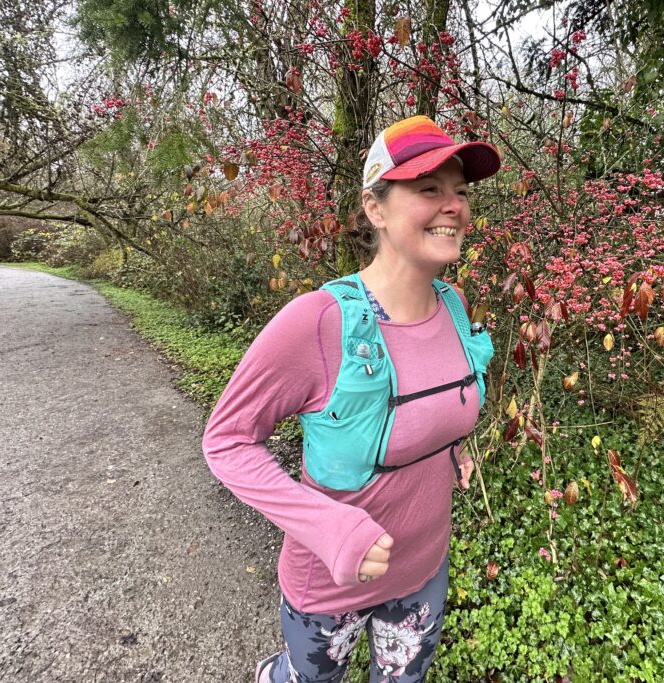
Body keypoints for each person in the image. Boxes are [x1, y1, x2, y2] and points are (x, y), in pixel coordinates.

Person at [202, 114, 501, 682]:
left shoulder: (455, 304)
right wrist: (330, 528)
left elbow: (436, 403)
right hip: (328, 583)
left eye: (460, 191)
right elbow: (227, 441)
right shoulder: (318, 322)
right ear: (376, 208)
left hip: (423, 571)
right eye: (429, 189)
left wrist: (451, 445)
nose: (454, 206)